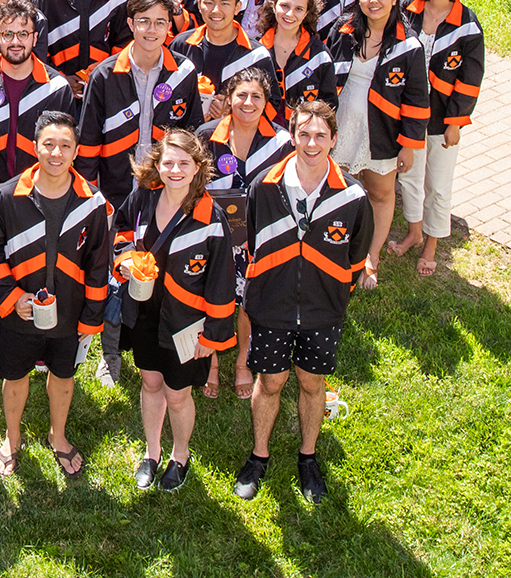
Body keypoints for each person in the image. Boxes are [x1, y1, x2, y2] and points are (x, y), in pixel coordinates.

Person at [234, 101, 373, 504]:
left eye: (321, 136)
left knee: (312, 384)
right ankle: (259, 456)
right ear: (292, 137)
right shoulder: (264, 186)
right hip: (272, 307)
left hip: (322, 311)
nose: (311, 143)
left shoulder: (353, 197)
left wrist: (329, 294)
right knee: (271, 382)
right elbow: (255, 239)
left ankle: (308, 458)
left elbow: (356, 257)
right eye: (304, 135)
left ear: (333, 140)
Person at [0, 111, 110, 478]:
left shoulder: (92, 202)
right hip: (19, 312)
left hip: (69, 313)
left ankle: (59, 436)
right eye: (48, 144)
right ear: (34, 146)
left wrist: (92, 317)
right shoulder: (7, 196)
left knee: (63, 375)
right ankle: (12, 438)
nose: (56, 153)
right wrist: (10, 299)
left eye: (65, 145)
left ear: (76, 150)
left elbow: (100, 264)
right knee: (15, 375)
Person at [115, 129, 235, 491]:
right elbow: (121, 229)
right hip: (144, 312)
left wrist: (212, 335)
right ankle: (151, 453)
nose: (176, 170)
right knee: (150, 382)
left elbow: (221, 280)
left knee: (178, 394)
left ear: (198, 166)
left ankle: (180, 455)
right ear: (158, 165)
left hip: (187, 324)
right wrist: (123, 257)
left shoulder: (210, 217)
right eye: (169, 162)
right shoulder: (143, 198)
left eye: (184, 163)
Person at [327, 0, 429, 289]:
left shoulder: (409, 47)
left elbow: (416, 99)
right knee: (337, 189)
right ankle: (333, 250)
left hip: (381, 131)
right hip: (340, 124)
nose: (373, 0)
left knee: (380, 194)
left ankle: (372, 256)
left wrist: (410, 144)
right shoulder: (343, 29)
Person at [196, 67, 292, 403]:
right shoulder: (207, 136)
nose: (248, 102)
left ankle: (241, 361)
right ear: (229, 99)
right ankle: (209, 363)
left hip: (259, 235)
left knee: (249, 299)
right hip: (213, 233)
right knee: (211, 293)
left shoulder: (281, 142)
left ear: (267, 101)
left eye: (256, 96)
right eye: (241, 95)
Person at [393, 0, 485, 276]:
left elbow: (470, 77)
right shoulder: (407, 10)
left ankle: (432, 242)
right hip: (409, 114)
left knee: (438, 183)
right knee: (411, 178)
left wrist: (456, 122)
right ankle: (414, 233)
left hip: (444, 118)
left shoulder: (468, 24)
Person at [76, 0, 204, 209]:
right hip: (114, 193)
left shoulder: (183, 72)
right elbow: (88, 141)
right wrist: (89, 197)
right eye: (144, 21)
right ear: (130, 24)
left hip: (167, 193)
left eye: (160, 22)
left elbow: (193, 135)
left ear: (168, 27)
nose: (152, 30)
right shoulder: (104, 75)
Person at [170, 0, 271, 115]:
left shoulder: (256, 55)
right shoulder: (181, 46)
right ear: (199, 5)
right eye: (209, 3)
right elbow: (164, 94)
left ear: (237, 7)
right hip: (186, 134)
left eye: (225, 3)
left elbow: (271, 105)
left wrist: (234, 111)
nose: (216, 10)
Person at [256, 0, 337, 126]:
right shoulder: (255, 50)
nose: (290, 13)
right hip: (261, 138)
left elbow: (328, 108)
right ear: (273, 6)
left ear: (307, 13)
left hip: (302, 139)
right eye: (284, 6)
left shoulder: (320, 56)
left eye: (299, 9)